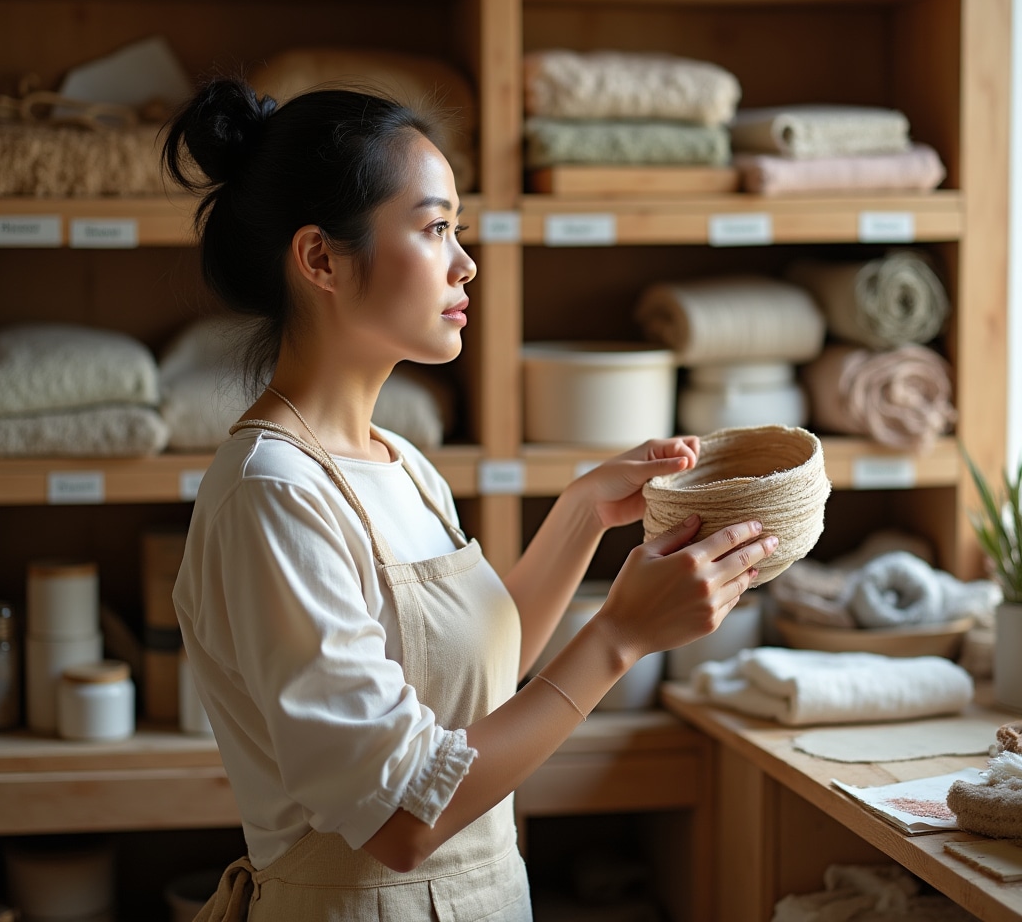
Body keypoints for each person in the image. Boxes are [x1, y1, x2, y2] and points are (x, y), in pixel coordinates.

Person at [165, 77, 778, 921]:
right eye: (434, 228)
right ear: (320, 260)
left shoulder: (401, 461)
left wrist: (582, 516)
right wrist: (620, 637)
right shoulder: (272, 492)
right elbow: (402, 818)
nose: (467, 262)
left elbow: (473, 678)